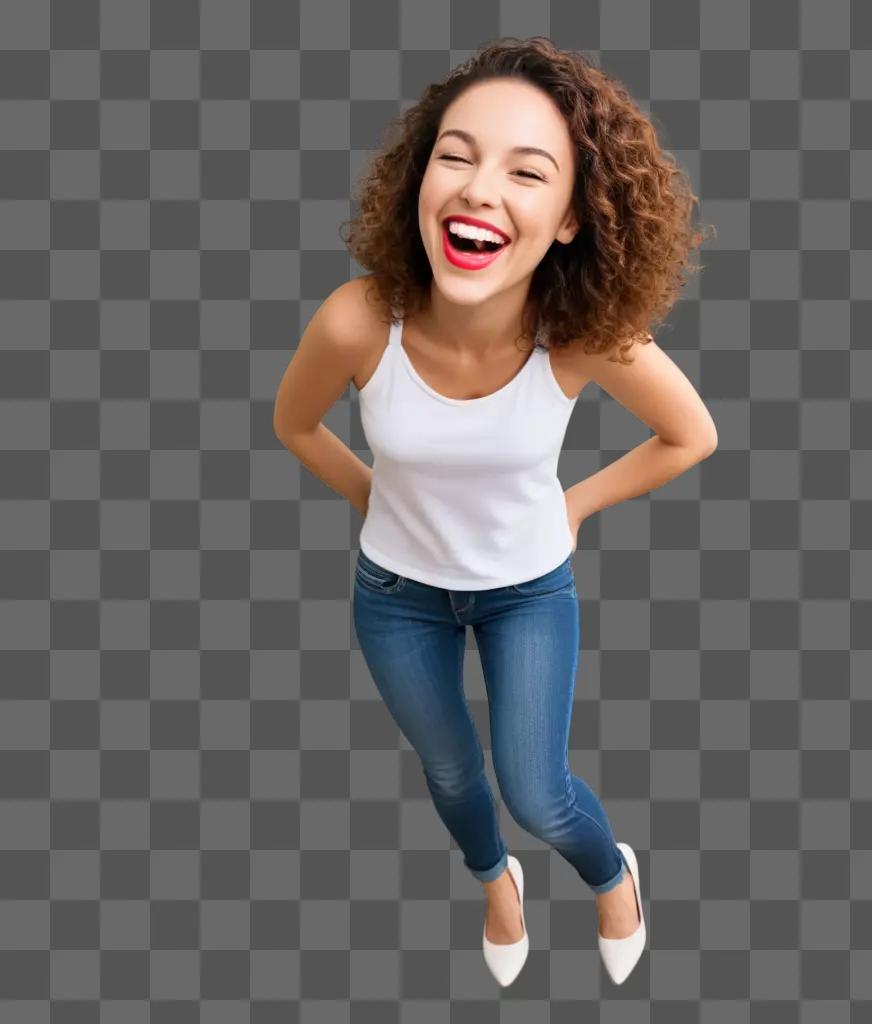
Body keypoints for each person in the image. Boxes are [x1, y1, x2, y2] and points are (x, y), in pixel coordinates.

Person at [273, 36, 717, 986]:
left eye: (527, 171)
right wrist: (376, 499)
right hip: (394, 594)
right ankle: (496, 884)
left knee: (538, 790)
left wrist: (578, 506)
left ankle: (613, 877)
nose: (479, 188)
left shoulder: (580, 340)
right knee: (451, 776)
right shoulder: (357, 319)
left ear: (567, 220)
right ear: (421, 179)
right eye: (456, 154)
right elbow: (295, 424)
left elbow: (692, 438)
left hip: (526, 592)